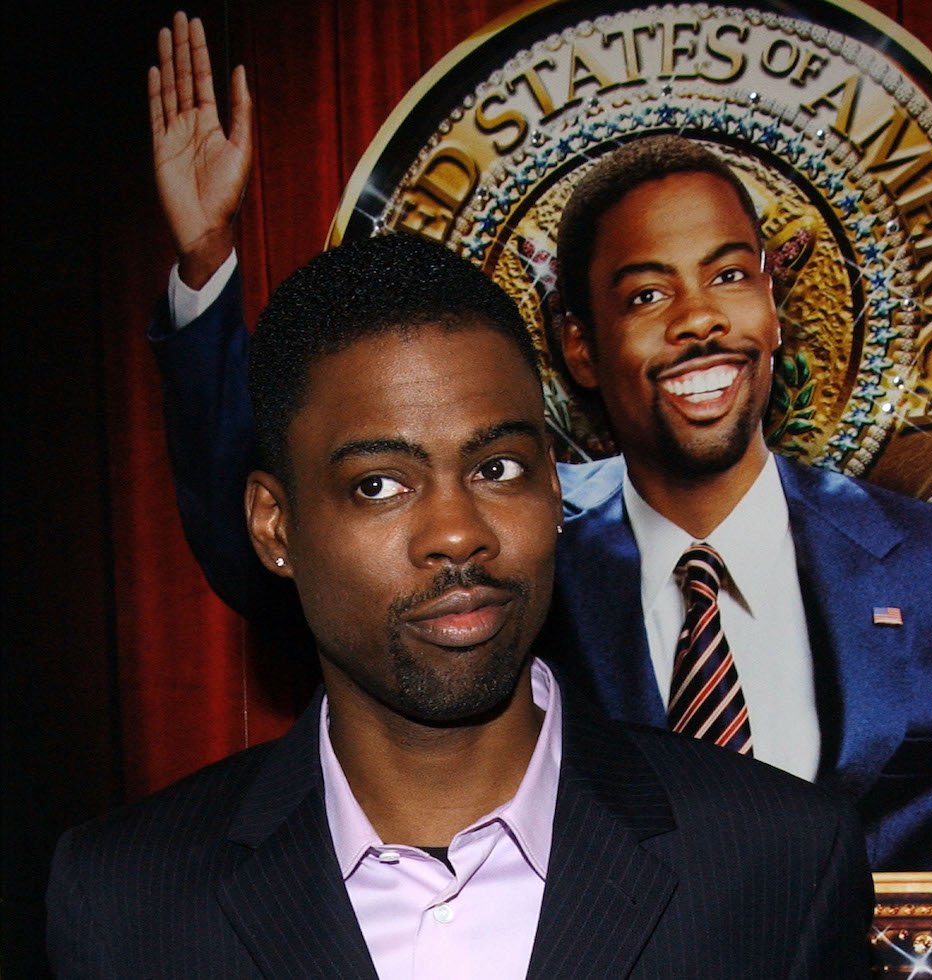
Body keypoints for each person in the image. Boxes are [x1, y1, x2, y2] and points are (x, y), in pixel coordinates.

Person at [143, 12, 932, 935]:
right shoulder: (521, 557)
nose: (700, 318)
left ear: (776, 312)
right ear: (581, 346)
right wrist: (205, 271)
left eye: (730, 276)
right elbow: (282, 562)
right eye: (647, 293)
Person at [48, 231, 874, 977]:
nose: (455, 532)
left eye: (497, 469)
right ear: (277, 527)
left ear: (556, 488)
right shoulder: (127, 904)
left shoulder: (780, 863)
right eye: (378, 485)